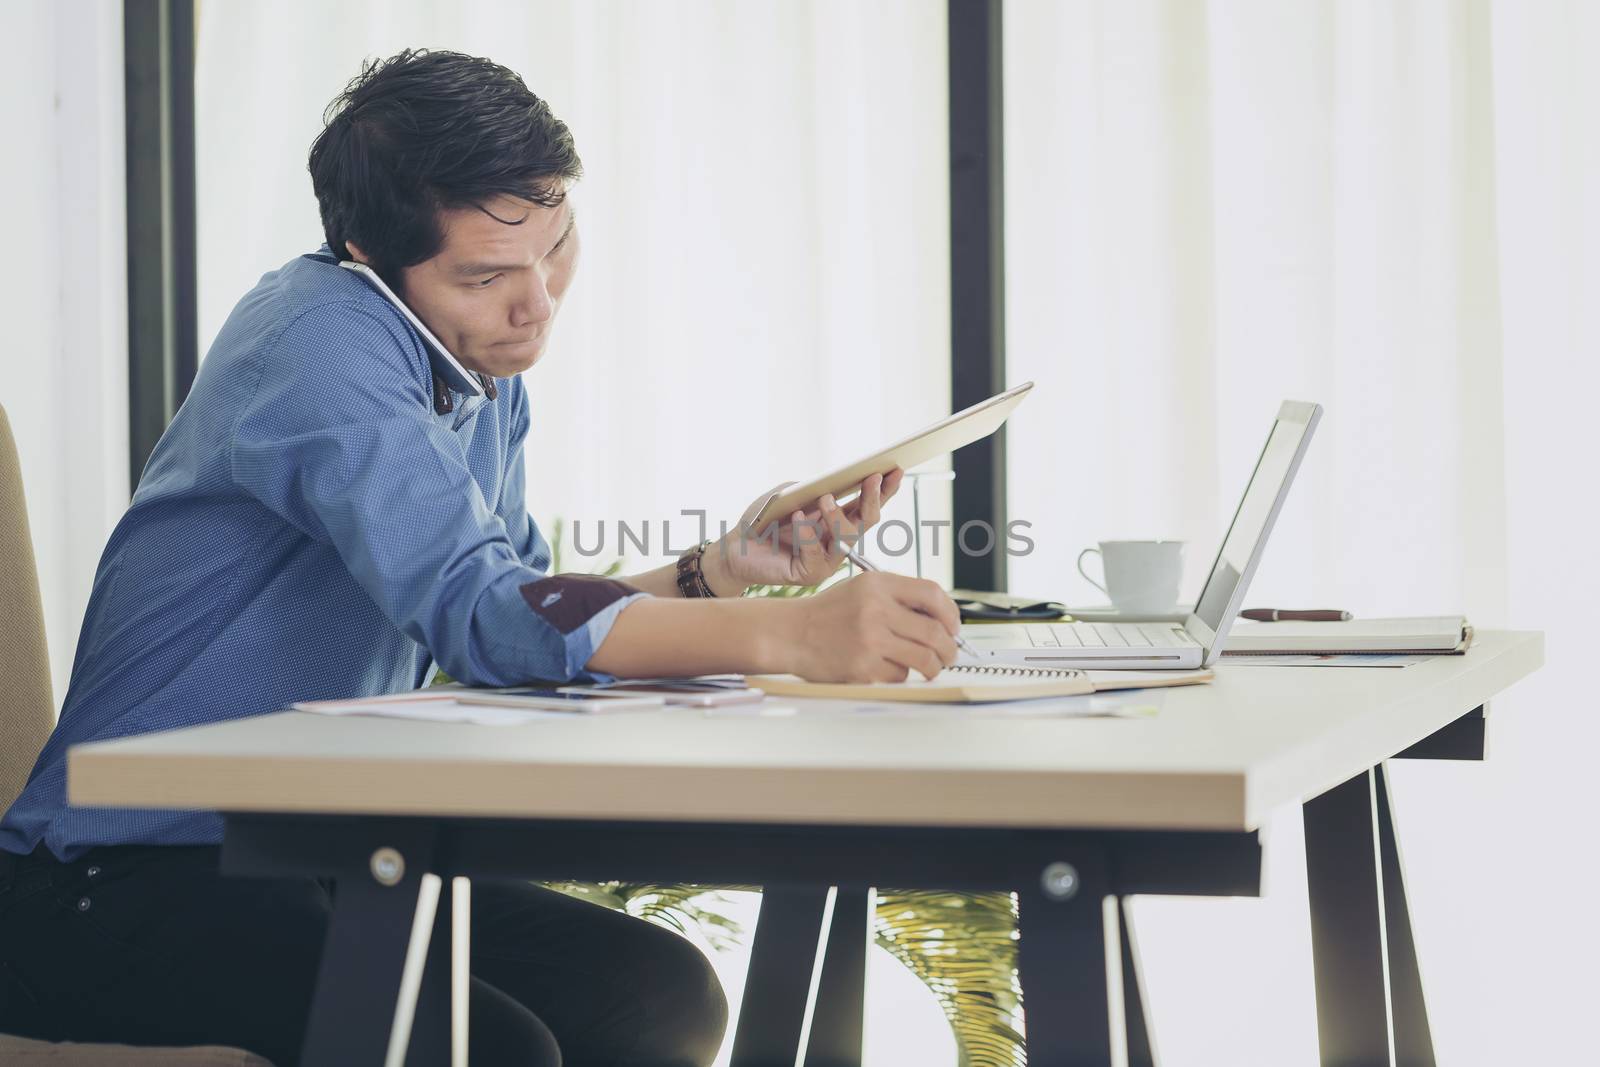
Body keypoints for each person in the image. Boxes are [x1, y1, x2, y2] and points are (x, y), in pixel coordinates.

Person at [0, 49, 960, 1067]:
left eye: (553, 249)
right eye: (485, 274)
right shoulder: (323, 342)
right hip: (115, 878)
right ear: (371, 253)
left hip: (310, 851)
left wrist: (721, 571)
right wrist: (791, 633)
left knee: (654, 993)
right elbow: (493, 618)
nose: (537, 301)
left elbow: (530, 604)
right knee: (495, 1048)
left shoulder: (475, 372)